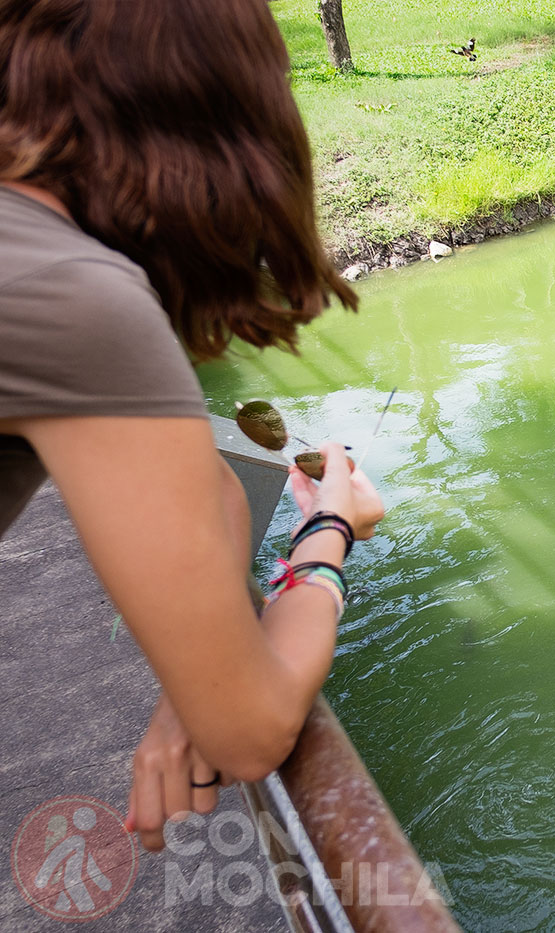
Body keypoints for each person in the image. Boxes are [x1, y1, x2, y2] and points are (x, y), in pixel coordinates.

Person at [0, 0, 384, 851]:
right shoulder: (75, 299)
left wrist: (202, 661)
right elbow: (251, 732)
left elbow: (212, 486)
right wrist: (330, 529)